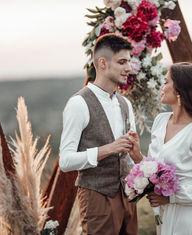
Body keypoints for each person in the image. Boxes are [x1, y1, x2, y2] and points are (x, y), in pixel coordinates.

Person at [59, 33, 141, 235]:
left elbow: (128, 158)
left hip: (128, 197)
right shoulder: (78, 104)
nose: (128, 68)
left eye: (129, 62)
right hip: (97, 198)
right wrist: (107, 149)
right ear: (102, 63)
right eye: (122, 62)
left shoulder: (125, 103)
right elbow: (65, 161)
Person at [146, 62, 192, 235]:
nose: (161, 87)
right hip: (164, 215)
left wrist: (171, 197)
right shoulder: (160, 121)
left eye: (166, 82)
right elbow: (151, 167)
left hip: (190, 217)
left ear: (180, 89)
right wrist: (136, 156)